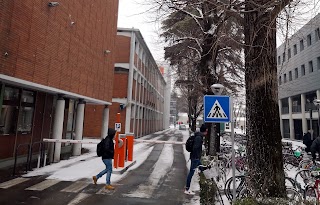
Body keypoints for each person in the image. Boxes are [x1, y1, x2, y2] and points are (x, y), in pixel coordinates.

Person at [185, 124, 208, 195]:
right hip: (195, 158)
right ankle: (187, 189)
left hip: (195, 157)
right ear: (205, 131)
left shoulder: (199, 136)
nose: (207, 133)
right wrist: (196, 158)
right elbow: (195, 148)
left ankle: (208, 182)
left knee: (203, 168)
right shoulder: (199, 138)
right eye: (207, 131)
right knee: (191, 173)